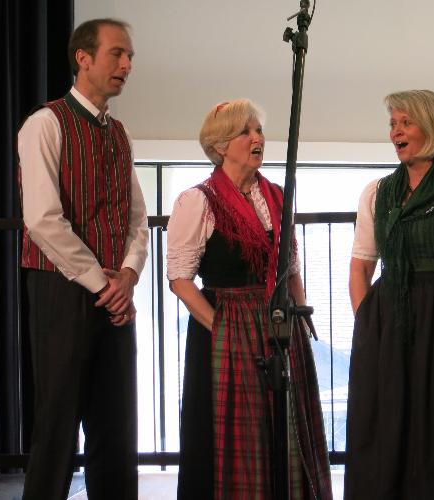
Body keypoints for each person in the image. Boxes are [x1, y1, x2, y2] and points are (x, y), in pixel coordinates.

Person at [167, 99, 332, 499]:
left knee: (287, 420)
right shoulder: (199, 201)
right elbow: (180, 280)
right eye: (246, 131)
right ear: (221, 145)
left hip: (278, 319)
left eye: (258, 130)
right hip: (226, 323)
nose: (257, 137)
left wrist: (300, 314)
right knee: (240, 425)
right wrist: (221, 328)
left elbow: (290, 265)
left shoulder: (276, 195)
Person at [17, 18, 147, 500]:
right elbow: (42, 220)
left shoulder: (120, 135)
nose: (127, 64)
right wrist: (103, 283)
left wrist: (128, 275)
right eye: (117, 53)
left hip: (114, 294)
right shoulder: (45, 123)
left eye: (129, 56)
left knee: (116, 427)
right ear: (83, 58)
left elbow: (137, 217)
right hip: (61, 290)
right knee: (57, 426)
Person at [345, 90, 434, 499]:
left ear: (433, 126)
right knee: (386, 423)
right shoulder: (377, 193)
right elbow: (361, 266)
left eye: (405, 122)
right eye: (393, 124)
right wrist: (368, 322)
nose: (396, 131)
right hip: (390, 319)